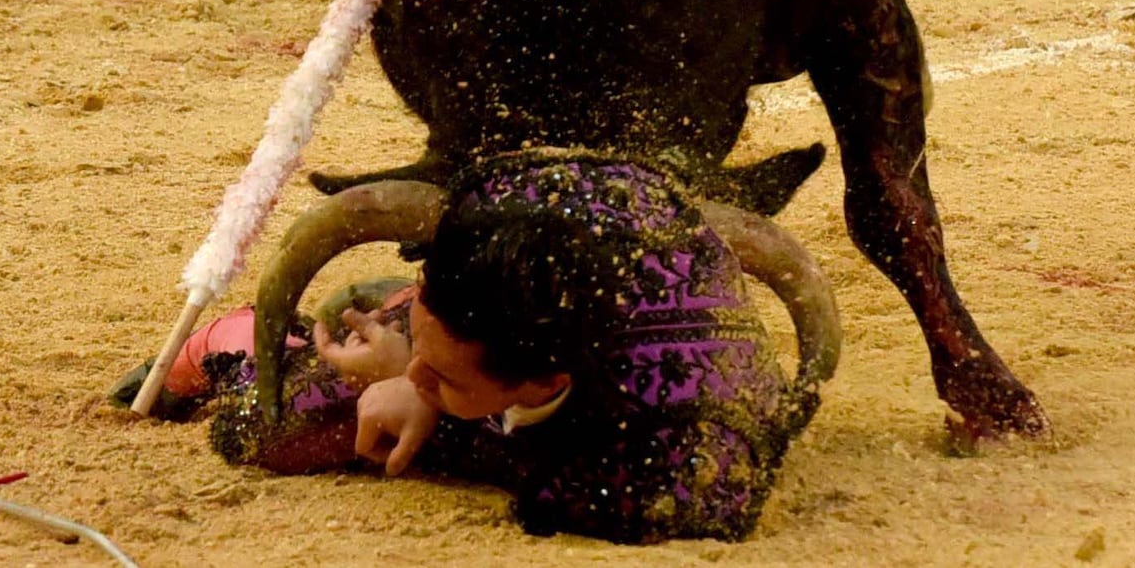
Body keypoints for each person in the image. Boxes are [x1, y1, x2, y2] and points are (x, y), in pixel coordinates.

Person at [113, 149, 820, 544]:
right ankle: (264, 334)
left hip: (568, 406)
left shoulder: (690, 450)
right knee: (262, 427)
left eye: (445, 372)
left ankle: (390, 340)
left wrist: (448, 414)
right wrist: (429, 372)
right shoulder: (502, 228)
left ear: (542, 382)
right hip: (512, 296)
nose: (418, 372)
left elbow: (674, 501)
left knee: (312, 428)